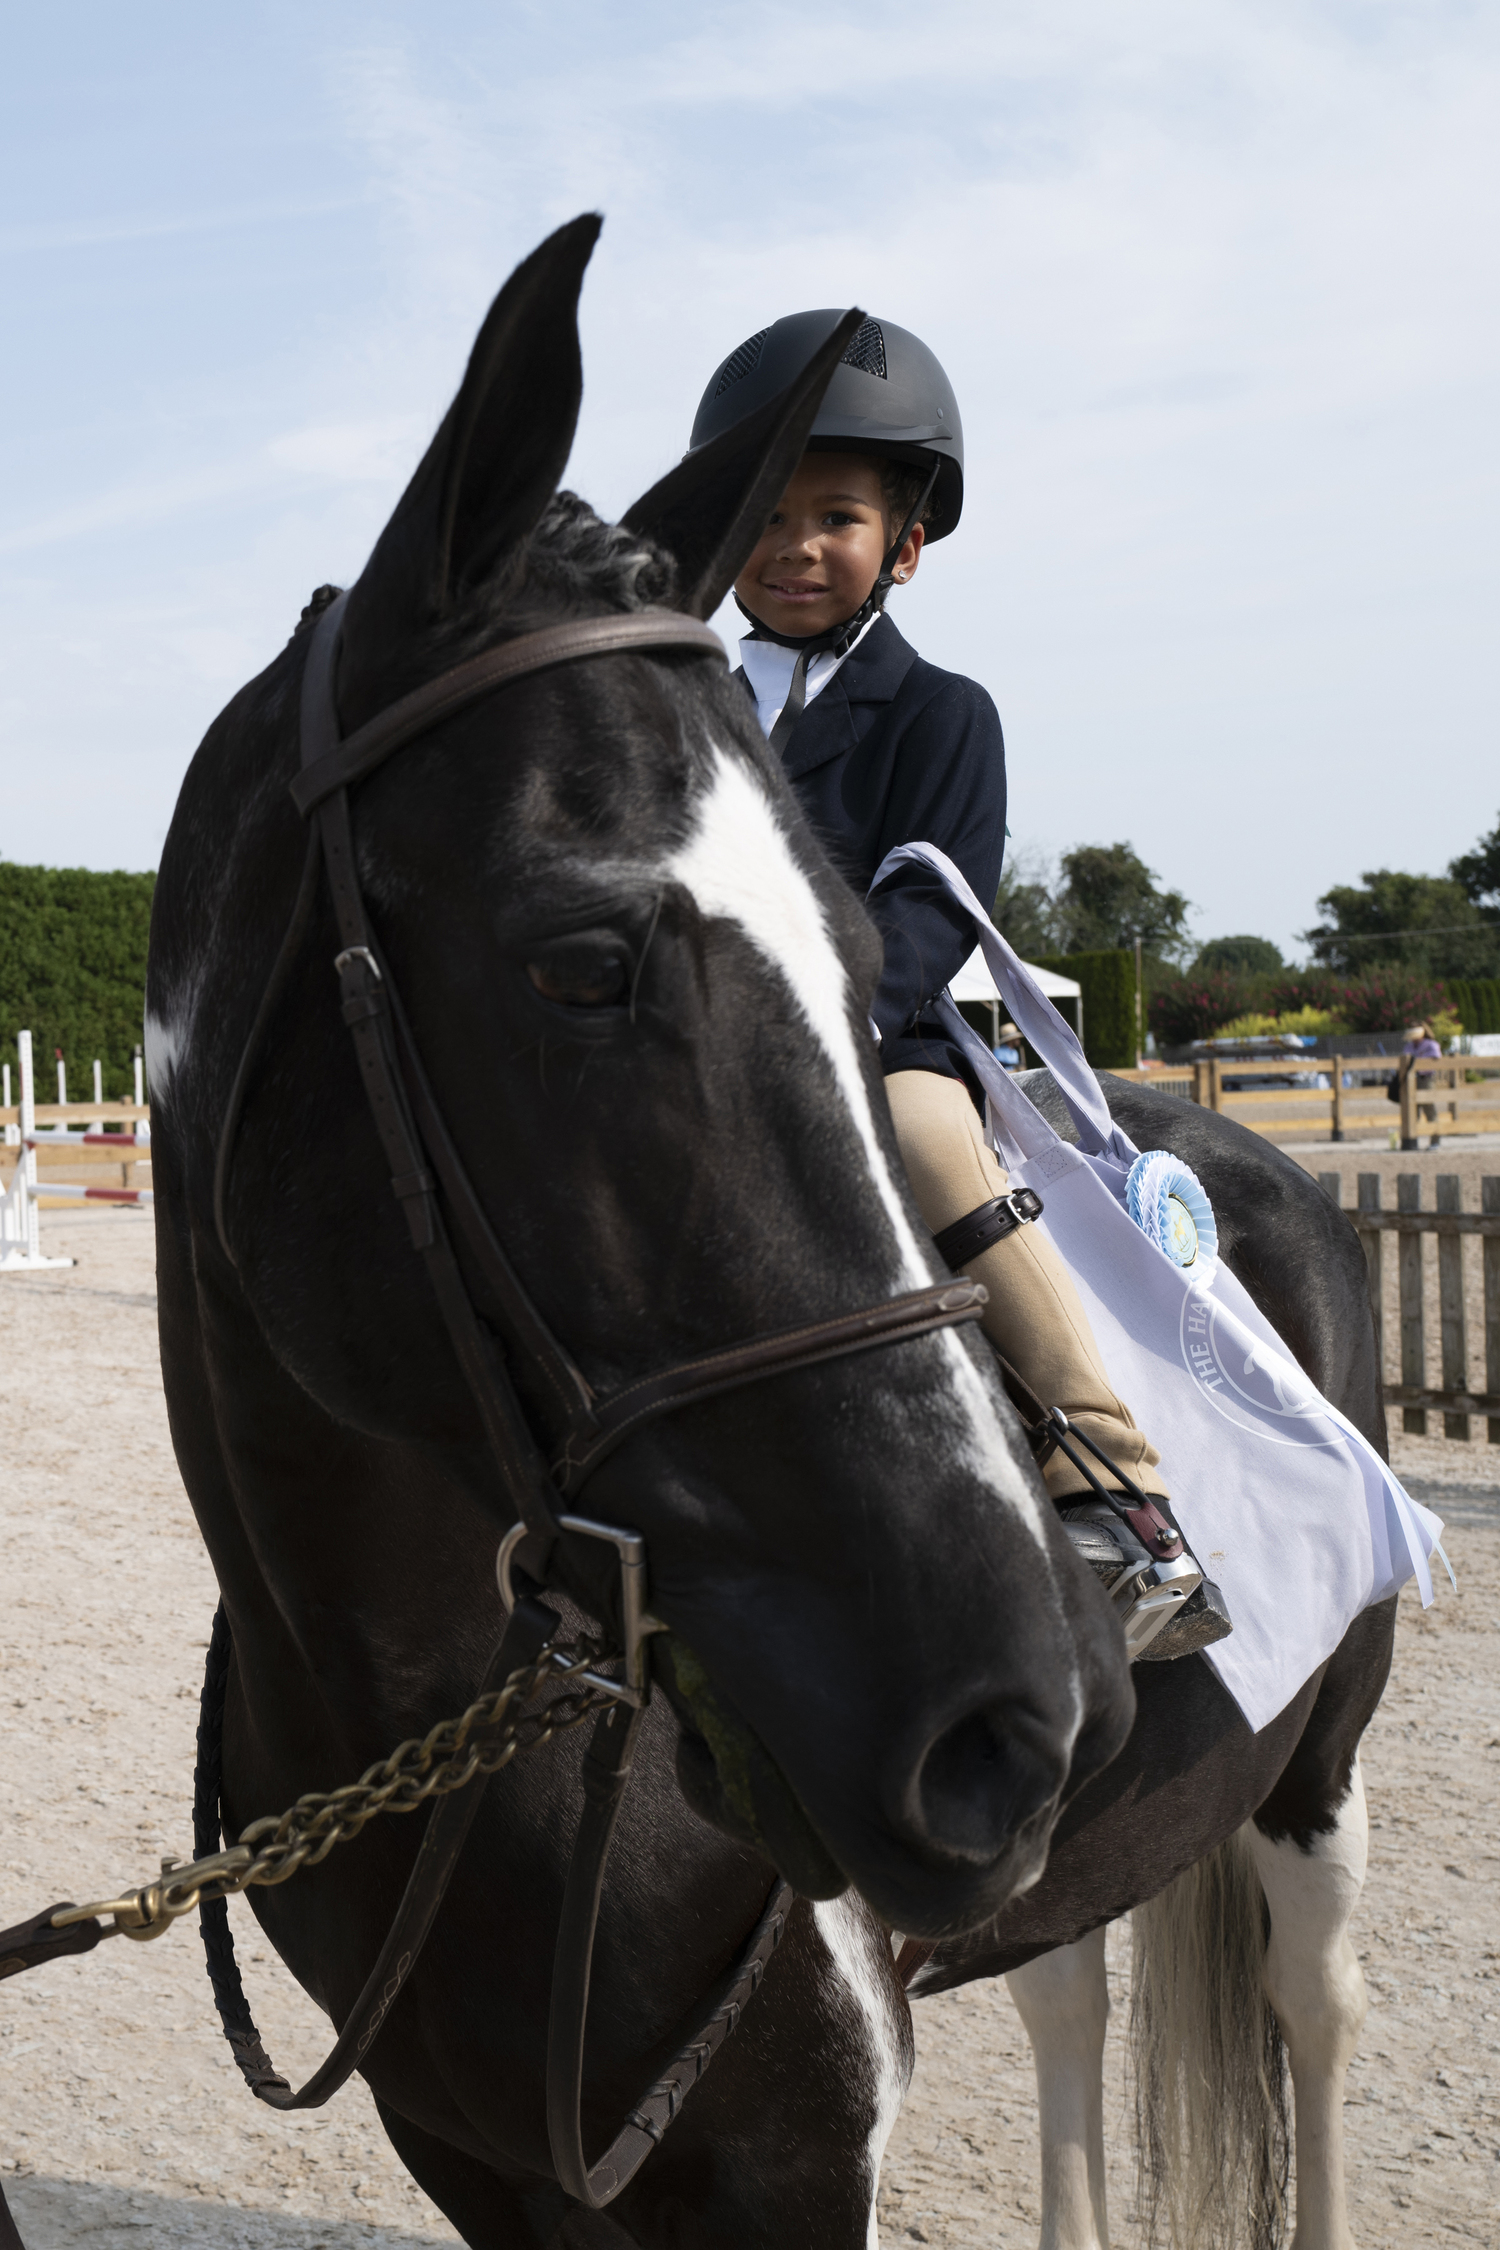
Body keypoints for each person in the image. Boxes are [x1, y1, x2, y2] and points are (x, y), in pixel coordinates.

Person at [687, 313, 1220, 1657]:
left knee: (928, 1136)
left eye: (837, 516)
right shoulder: (675, 705)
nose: (796, 543)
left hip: (878, 1046)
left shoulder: (944, 714)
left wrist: (816, 1024)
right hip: (685, 1045)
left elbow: (928, 911)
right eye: (769, 513)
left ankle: (1114, 1482)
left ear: (904, 543)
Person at [1403, 1020, 1443, 1136]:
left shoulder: (1431, 1045)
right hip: (1411, 1080)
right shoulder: (1409, 1046)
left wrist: (1419, 1063)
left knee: (1429, 1107)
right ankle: (1411, 1137)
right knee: (1411, 1110)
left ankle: (1435, 1138)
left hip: (1426, 1078)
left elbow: (1435, 1059)